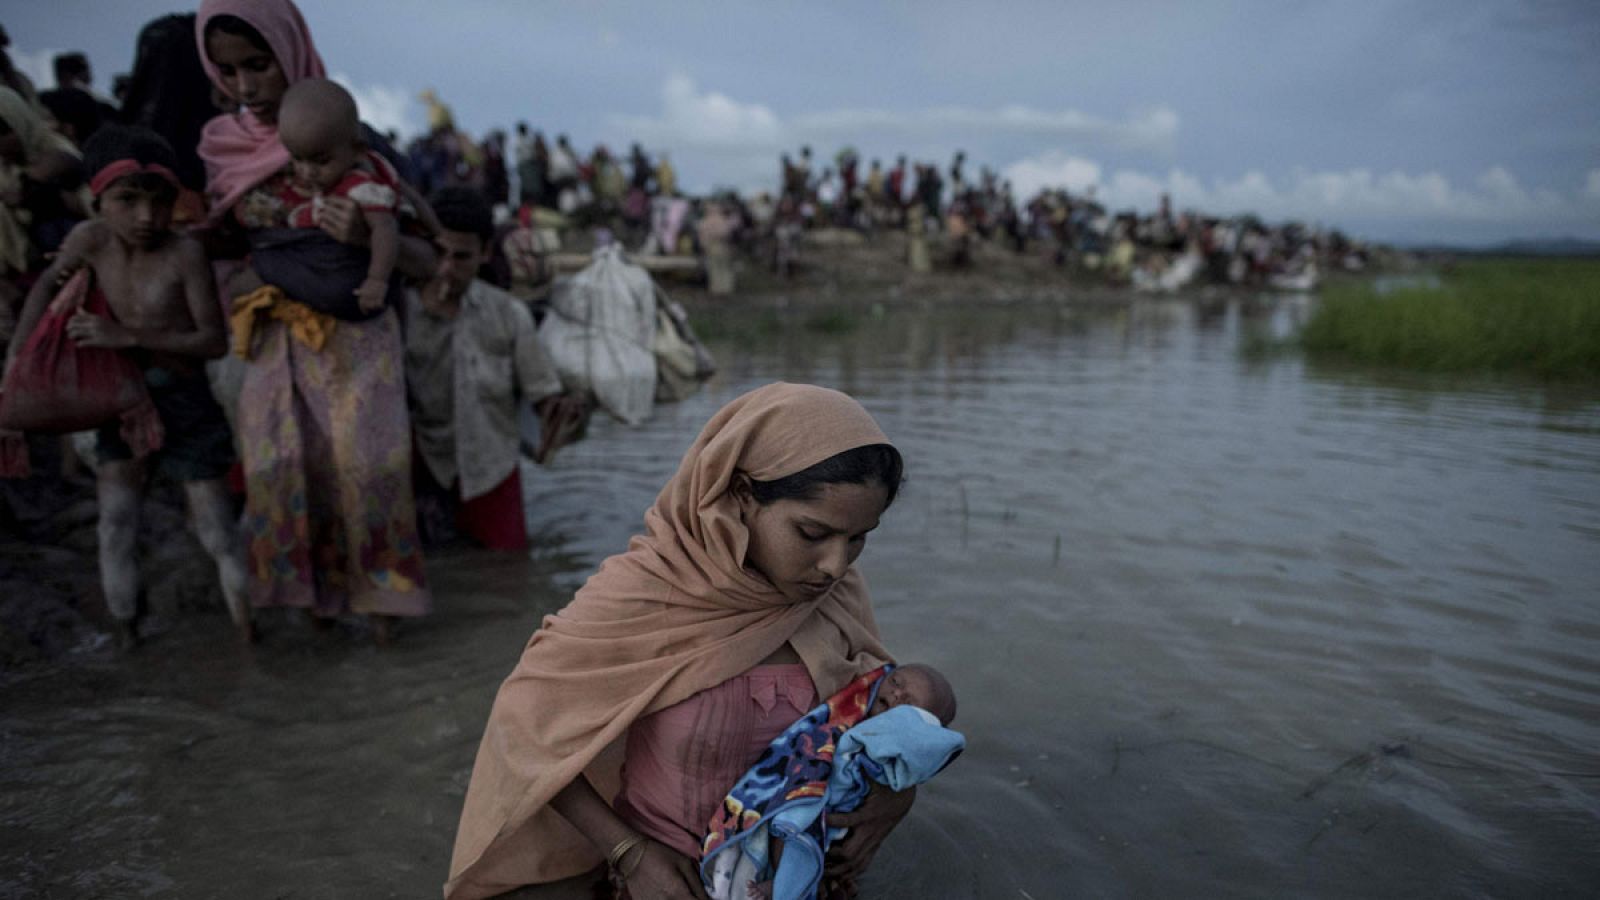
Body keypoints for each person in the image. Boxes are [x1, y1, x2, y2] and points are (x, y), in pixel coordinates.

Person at [447, 383, 917, 900]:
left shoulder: (835, 598)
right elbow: (525, 732)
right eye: (811, 533)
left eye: (858, 538)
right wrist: (628, 853)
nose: (835, 564)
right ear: (740, 495)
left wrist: (900, 790)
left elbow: (879, 710)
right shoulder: (645, 595)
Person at [197, 0, 433, 640]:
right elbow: (212, 246)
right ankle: (311, 627)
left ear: (291, 51)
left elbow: (426, 255)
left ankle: (385, 631)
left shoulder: (352, 142)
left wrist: (363, 236)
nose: (246, 87)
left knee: (368, 476)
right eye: (228, 70)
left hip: (358, 346)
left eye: (259, 65)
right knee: (284, 473)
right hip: (275, 345)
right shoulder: (222, 150)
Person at [4, 125, 248, 648]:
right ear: (97, 201)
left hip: (184, 399)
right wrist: (16, 367)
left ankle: (250, 637)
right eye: (127, 200)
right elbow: (46, 287)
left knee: (217, 529)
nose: (146, 217)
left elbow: (211, 341)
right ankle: (129, 639)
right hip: (122, 399)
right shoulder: (89, 241)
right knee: (115, 521)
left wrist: (125, 334)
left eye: (159, 202)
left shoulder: (184, 254)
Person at [703, 663, 961, 900]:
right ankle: (786, 883)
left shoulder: (891, 736)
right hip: (801, 794)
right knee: (793, 826)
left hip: (834, 809)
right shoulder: (858, 694)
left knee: (809, 843)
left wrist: (899, 793)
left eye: (908, 702)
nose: (896, 694)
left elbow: (913, 761)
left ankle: (793, 885)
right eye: (895, 682)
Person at [404, 186, 567, 552]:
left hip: (491, 466)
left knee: (508, 568)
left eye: (461, 257)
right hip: (423, 464)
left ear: (485, 253)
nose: (447, 267)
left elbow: (544, 391)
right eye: (439, 252)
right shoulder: (402, 310)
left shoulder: (508, 314)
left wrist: (563, 413)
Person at [275, 78, 397, 316]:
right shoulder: (314, 182)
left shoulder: (361, 187)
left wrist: (376, 280)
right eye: (298, 159)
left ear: (357, 150)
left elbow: (386, 229)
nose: (308, 172)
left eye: (321, 161)